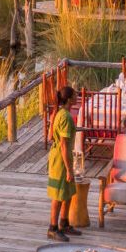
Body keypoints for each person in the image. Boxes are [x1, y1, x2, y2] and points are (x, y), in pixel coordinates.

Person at [46, 85, 81, 241]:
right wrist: (68, 169)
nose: (77, 95)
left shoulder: (59, 113)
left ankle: (64, 224)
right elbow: (64, 145)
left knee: (67, 193)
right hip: (61, 159)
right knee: (59, 194)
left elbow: (49, 137)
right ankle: (52, 228)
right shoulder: (65, 117)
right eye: (75, 94)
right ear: (68, 99)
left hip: (61, 156)